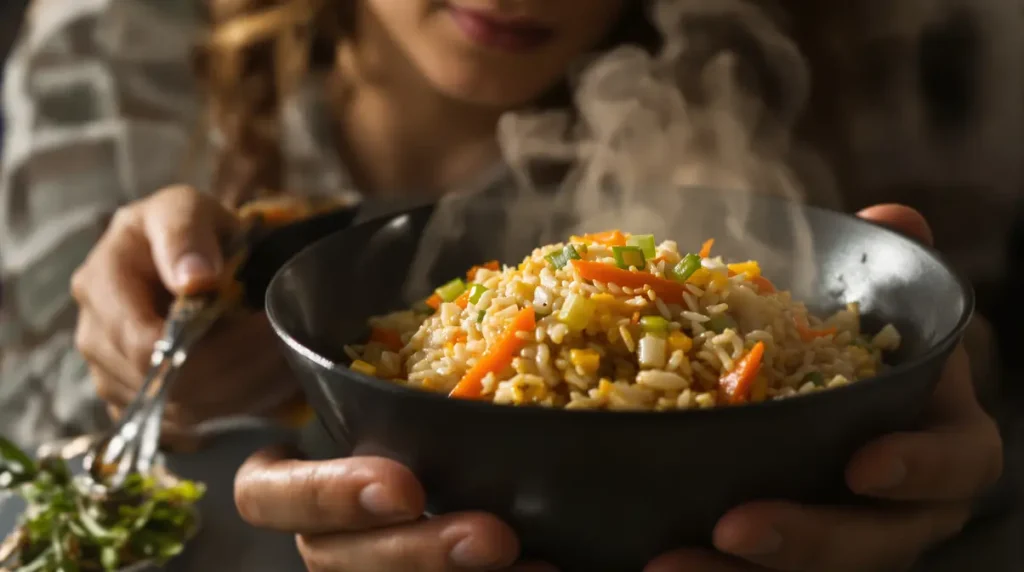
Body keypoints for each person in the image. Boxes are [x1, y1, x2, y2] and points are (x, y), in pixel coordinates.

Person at [0, 0, 1013, 571]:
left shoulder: (823, 59)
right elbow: (29, 449)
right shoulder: (119, 47)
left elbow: (971, 378)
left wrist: (921, 449)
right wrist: (140, 372)